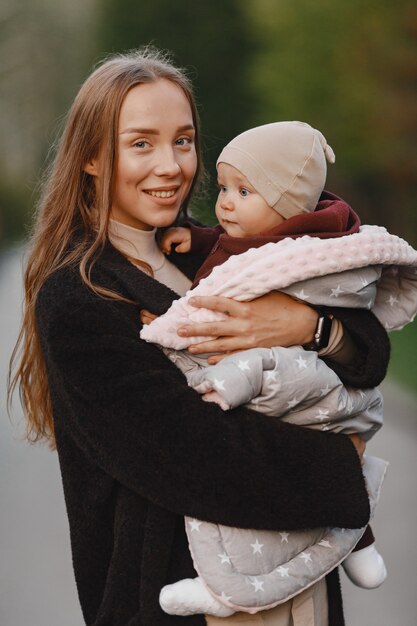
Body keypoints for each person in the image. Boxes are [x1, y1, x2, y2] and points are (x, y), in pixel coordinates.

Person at [9, 48, 393, 626]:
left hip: (293, 583)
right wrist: (346, 466)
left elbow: (368, 350)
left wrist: (309, 327)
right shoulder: (78, 297)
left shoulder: (215, 254)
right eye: (141, 143)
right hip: (178, 600)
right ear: (91, 157)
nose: (170, 166)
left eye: (183, 141)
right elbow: (191, 455)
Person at [140, 122, 417, 617]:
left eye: (243, 191)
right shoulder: (253, 234)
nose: (225, 204)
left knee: (314, 431)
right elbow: (228, 247)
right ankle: (355, 539)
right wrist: (197, 237)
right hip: (277, 422)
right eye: (225, 188)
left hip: (294, 385)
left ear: (287, 204)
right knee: (318, 460)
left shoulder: (304, 250)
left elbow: (368, 347)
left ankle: (355, 539)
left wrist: (309, 325)